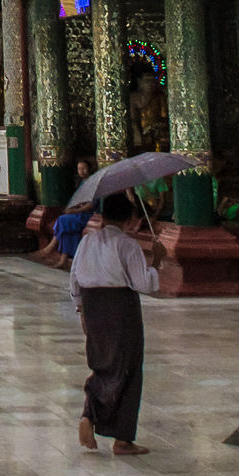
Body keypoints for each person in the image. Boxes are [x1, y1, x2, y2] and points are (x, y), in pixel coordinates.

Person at [72, 190, 162, 457]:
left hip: (92, 305)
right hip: (120, 308)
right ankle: (122, 439)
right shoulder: (127, 245)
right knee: (127, 369)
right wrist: (157, 259)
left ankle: (90, 414)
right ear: (129, 219)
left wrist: (81, 311)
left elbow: (74, 279)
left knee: (101, 363)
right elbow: (142, 283)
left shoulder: (87, 242)